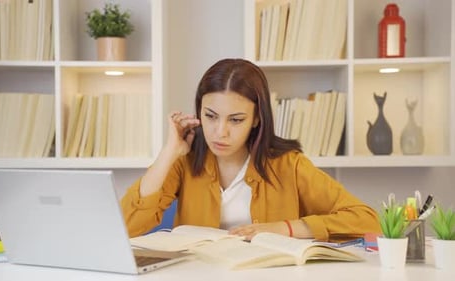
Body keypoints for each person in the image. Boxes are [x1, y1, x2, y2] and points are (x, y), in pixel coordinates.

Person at [121, 58, 381, 241]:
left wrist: (287, 228)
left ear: (257, 118)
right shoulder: (184, 161)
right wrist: (169, 152)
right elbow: (125, 227)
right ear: (199, 109)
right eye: (210, 116)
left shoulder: (289, 165)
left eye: (236, 120)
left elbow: (367, 219)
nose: (220, 131)